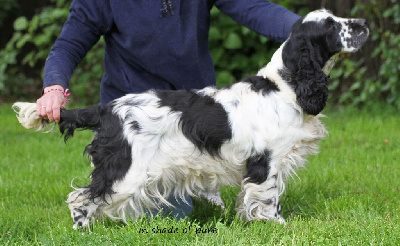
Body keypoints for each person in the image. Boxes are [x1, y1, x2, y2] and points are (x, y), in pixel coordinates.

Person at [36, 0, 300, 219]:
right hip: (136, 127)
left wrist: (308, 31)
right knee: (165, 220)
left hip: (198, 121)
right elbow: (69, 44)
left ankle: (207, 180)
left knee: (186, 211)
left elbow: (253, 8)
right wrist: (54, 88)